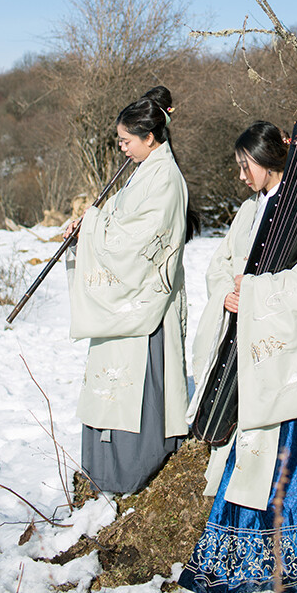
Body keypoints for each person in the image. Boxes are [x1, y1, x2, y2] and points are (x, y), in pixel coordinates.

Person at [179, 121, 297, 593]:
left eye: (244, 165)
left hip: (276, 362)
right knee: (248, 448)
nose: (241, 175)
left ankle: (283, 549)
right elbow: (223, 263)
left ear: (267, 160)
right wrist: (231, 288)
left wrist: (249, 294)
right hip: (245, 349)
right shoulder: (248, 210)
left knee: (274, 445)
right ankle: (245, 545)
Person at [65, 86, 199, 495]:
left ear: (149, 138)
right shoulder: (145, 172)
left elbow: (140, 242)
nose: (121, 148)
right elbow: (119, 219)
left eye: (125, 141)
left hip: (146, 306)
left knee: (139, 385)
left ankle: (134, 469)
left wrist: (92, 229)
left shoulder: (165, 179)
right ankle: (106, 470)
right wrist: (87, 228)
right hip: (128, 302)